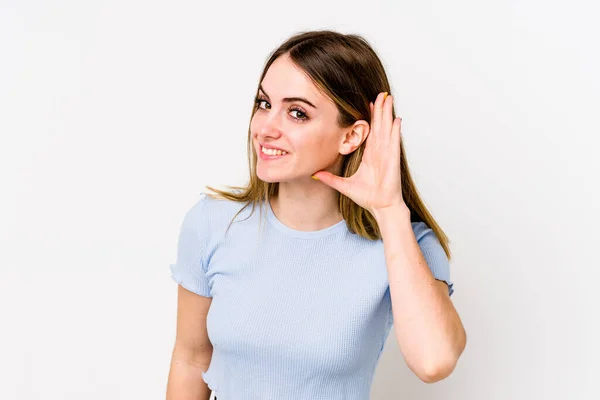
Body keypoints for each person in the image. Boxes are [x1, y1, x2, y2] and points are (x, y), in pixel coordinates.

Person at [166, 30, 466, 400]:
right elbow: (192, 357)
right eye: (264, 103)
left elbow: (434, 361)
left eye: (296, 112)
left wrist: (389, 212)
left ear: (351, 137)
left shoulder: (408, 244)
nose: (265, 129)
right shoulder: (212, 224)